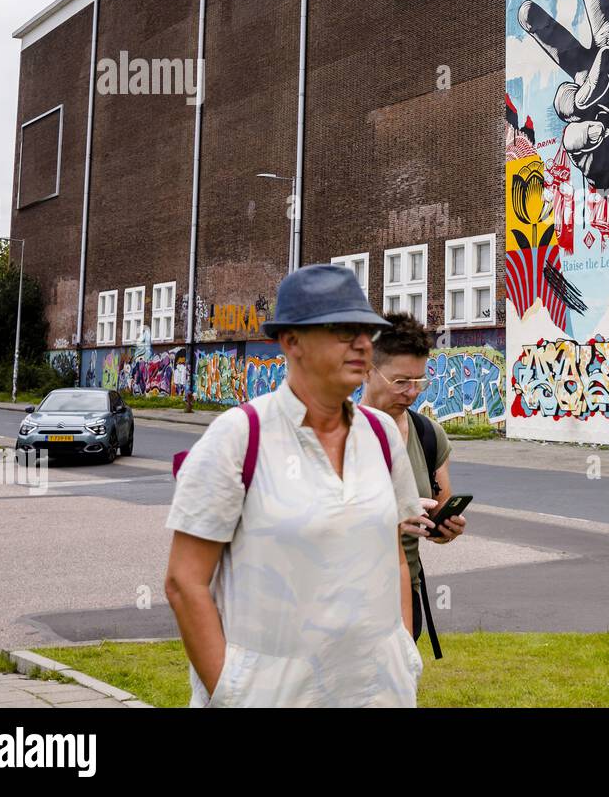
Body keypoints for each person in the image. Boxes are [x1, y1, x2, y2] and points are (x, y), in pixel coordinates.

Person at [164, 264, 435, 707]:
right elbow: (183, 582)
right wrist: (233, 693)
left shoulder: (382, 435)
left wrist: (403, 654)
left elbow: (394, 557)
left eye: (366, 331)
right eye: (343, 330)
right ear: (291, 341)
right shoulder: (238, 437)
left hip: (375, 696)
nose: (363, 344)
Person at [361, 313, 467, 654]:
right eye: (400, 381)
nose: (412, 392)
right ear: (366, 370)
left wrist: (444, 528)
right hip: (349, 593)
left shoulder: (428, 435)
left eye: (419, 381)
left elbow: (437, 513)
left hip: (407, 591)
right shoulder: (337, 434)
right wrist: (391, 518)